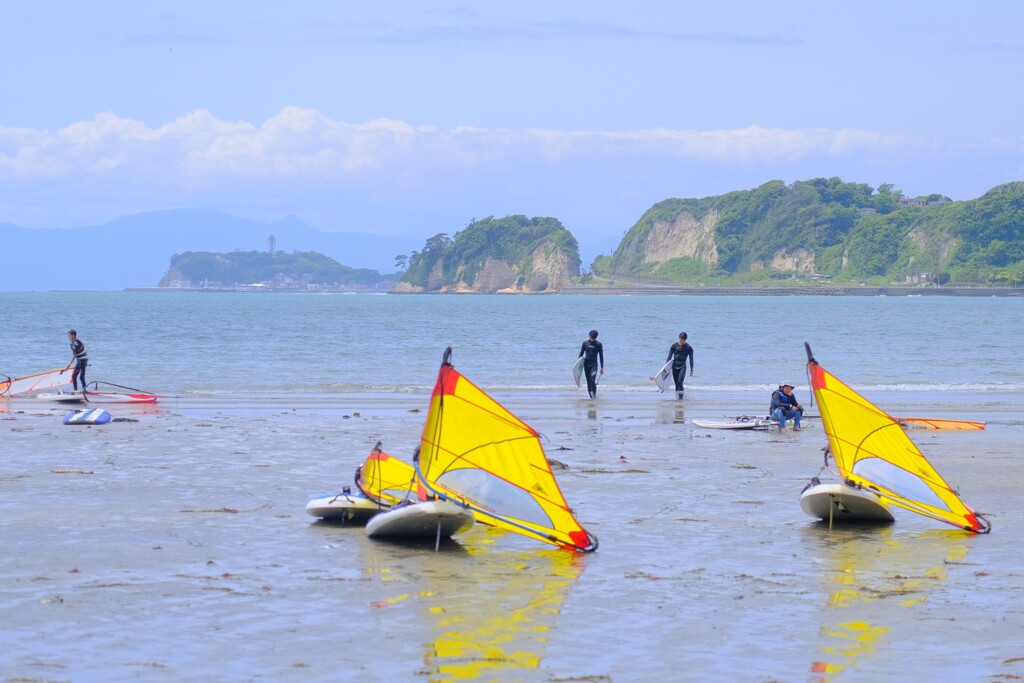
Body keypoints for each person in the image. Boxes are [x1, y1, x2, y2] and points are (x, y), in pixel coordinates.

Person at [665, 332, 694, 399]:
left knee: (680, 382)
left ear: (685, 340)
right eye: (681, 340)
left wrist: (691, 369)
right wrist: (665, 368)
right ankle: (677, 399)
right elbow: (669, 357)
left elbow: (691, 359)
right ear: (679, 338)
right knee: (676, 384)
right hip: (674, 367)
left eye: (683, 340)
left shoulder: (689, 348)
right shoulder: (674, 346)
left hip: (682, 367)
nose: (682, 341)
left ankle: (681, 399)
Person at [578, 329, 604, 399]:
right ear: (589, 336)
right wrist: (578, 366)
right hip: (586, 365)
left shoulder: (599, 344)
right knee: (588, 381)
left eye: (593, 338)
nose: (592, 339)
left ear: (595, 337)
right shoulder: (585, 343)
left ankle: (594, 395)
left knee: (592, 380)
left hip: (594, 365)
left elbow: (601, 356)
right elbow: (581, 355)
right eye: (591, 337)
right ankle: (591, 397)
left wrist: (602, 367)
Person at [66, 329, 89, 398]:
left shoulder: (75, 343)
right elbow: (76, 355)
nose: (68, 337)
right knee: (74, 376)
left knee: (81, 377)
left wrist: (69, 365)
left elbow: (74, 355)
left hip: (82, 360)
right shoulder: (75, 342)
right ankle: (76, 391)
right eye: (68, 336)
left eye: (69, 336)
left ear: (73, 336)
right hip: (80, 360)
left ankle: (85, 392)